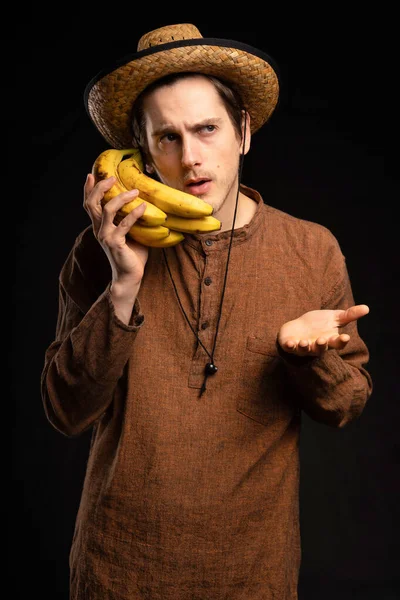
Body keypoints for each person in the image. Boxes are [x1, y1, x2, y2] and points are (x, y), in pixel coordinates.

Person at [41, 23, 373, 600]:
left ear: (243, 130)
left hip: (254, 576)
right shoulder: (101, 250)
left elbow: (345, 404)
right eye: (166, 138)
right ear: (142, 153)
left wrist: (304, 359)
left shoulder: (311, 249)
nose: (191, 157)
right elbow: (65, 413)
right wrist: (122, 284)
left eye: (206, 129)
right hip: (116, 572)